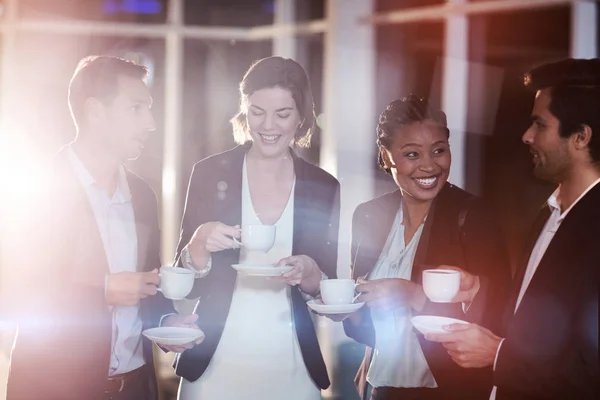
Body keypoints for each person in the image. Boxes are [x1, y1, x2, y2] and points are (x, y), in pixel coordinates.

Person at [0, 55, 198, 400]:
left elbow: (145, 287)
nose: (150, 123)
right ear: (95, 112)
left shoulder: (142, 195)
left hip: (136, 389)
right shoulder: (35, 189)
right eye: (136, 109)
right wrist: (102, 291)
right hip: (54, 390)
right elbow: (13, 294)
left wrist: (165, 323)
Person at [425, 59, 599, 400]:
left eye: (540, 124)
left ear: (580, 137)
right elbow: (535, 317)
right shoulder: (549, 212)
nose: (526, 136)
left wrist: (499, 355)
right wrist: (476, 290)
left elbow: (591, 373)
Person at [170, 56, 340, 400]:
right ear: (244, 109)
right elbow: (181, 290)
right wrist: (199, 242)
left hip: (291, 361)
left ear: (301, 117)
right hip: (214, 360)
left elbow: (325, 288)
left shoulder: (323, 186)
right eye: (257, 111)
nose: (268, 125)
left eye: (283, 114)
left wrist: (309, 270)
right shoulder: (208, 173)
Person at [341, 95, 511, 400]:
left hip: (449, 392)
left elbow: (497, 316)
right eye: (412, 154)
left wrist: (412, 294)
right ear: (386, 155)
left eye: (439, 151)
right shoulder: (368, 215)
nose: (429, 165)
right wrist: (346, 311)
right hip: (380, 390)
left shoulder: (473, 216)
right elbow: (363, 322)